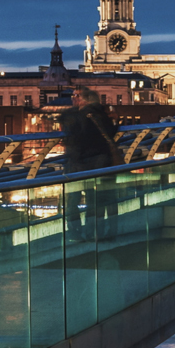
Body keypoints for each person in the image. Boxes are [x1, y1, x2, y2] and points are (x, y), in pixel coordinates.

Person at [57, 87, 119, 242]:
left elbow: (74, 138)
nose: (73, 98)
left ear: (86, 99)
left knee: (72, 200)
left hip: (78, 163)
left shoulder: (75, 116)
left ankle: (75, 233)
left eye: (76, 96)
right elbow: (110, 132)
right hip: (102, 163)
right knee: (97, 200)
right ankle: (100, 233)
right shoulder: (102, 114)